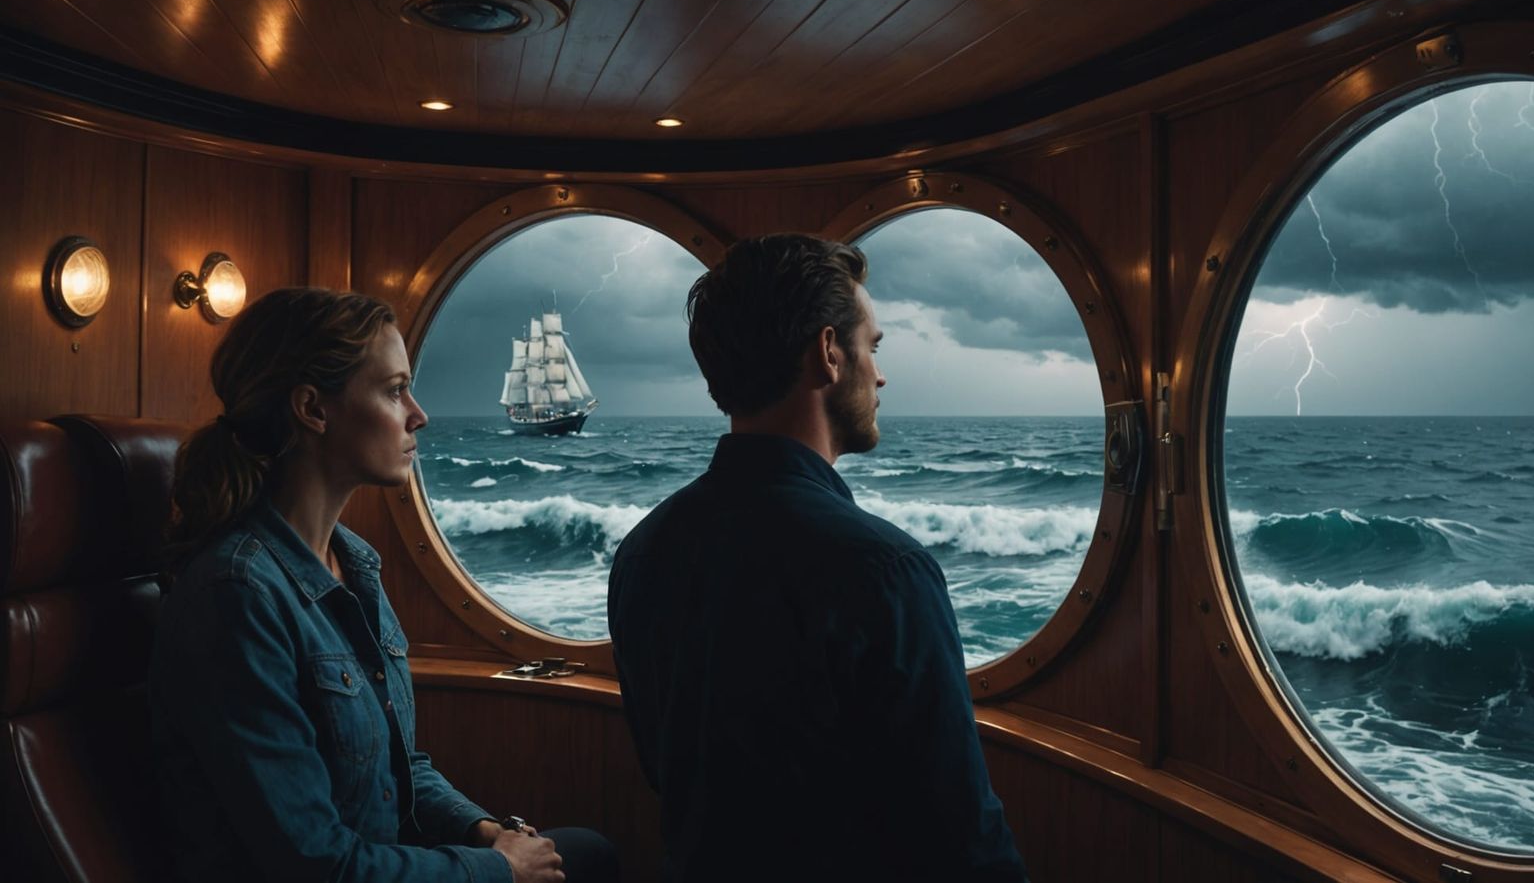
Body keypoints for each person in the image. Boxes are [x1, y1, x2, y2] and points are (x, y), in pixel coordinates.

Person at [151, 288, 619, 883]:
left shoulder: (355, 564)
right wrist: (496, 871)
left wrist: (484, 831)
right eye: (395, 391)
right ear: (313, 410)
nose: (418, 414)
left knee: (584, 851)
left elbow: (396, 766)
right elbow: (315, 863)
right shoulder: (238, 594)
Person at [607, 234, 1028, 882]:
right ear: (830, 353)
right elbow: (963, 838)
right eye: (874, 347)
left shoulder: (643, 550)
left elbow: (664, 772)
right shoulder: (885, 570)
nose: (880, 373)